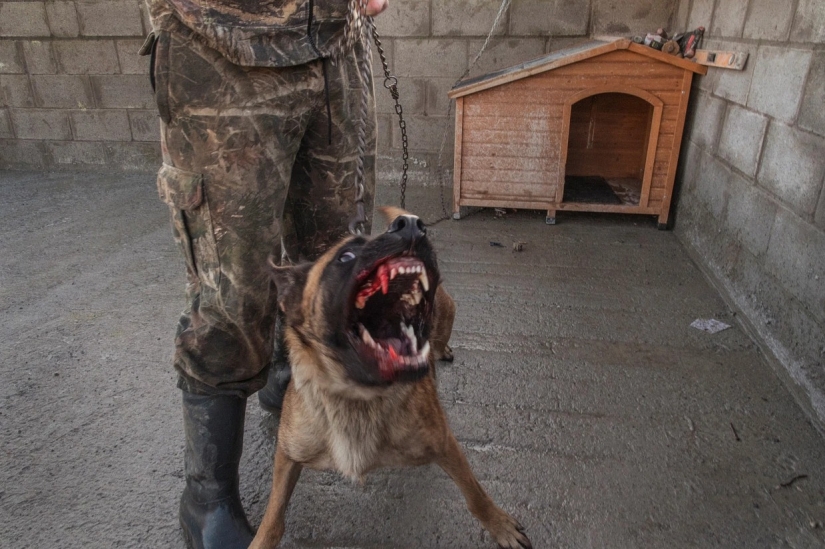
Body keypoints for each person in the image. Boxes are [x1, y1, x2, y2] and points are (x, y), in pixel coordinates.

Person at [142, 1, 388, 547]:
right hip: (221, 44)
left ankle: (286, 378)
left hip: (337, 44)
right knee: (232, 293)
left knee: (333, 264)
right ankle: (207, 498)